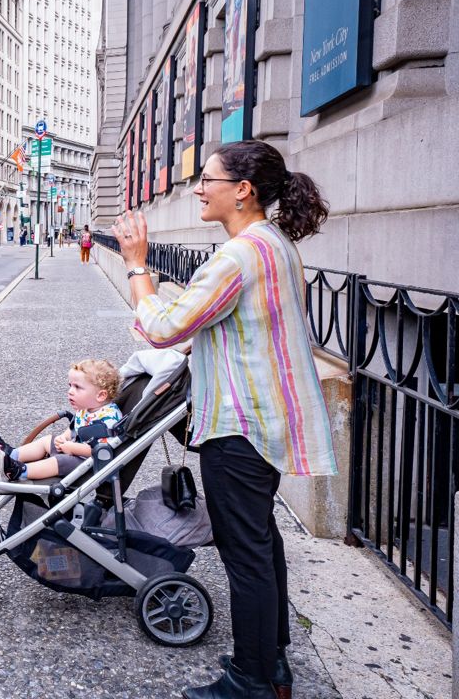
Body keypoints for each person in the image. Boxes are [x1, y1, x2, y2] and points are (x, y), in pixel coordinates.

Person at [114, 140, 336, 699]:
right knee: (261, 544)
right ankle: (274, 664)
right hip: (264, 420)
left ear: (242, 190)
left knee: (246, 554)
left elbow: (163, 327)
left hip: (239, 424)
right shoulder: (274, 245)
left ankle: (252, 679)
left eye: (207, 180)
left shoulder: (238, 256)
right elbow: (236, 325)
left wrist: (137, 264)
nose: (197, 189)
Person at [0, 359, 123, 481]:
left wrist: (72, 448)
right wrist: (64, 437)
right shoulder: (86, 408)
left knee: (59, 462)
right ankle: (12, 454)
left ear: (100, 395)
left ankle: (18, 471)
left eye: (77, 387)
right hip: (74, 450)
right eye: (70, 385)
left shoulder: (108, 418)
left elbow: (103, 450)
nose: (70, 391)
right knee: (48, 440)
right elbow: (74, 428)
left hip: (90, 465)